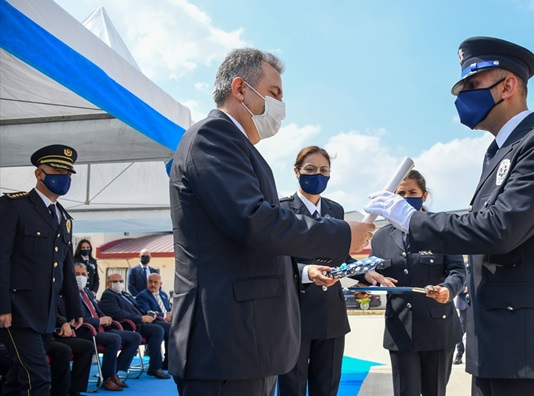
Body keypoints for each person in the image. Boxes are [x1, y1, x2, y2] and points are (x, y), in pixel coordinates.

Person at [365, 36, 534, 396]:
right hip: (497, 344)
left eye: (473, 85)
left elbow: (499, 229)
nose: (463, 97)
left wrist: (412, 220)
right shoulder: (498, 153)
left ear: (507, 85)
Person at [168, 47, 374, 396]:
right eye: (275, 92)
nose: (281, 104)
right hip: (224, 342)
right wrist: (341, 235)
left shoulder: (239, 146)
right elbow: (255, 222)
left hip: (247, 342)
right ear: (239, 89)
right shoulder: (212, 138)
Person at [360, 170, 465, 396]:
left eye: (412, 192)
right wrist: (364, 287)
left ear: (424, 196)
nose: (406, 197)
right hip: (401, 330)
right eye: (400, 193)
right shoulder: (381, 237)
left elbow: (457, 270)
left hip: (438, 328)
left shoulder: (440, 228)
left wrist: (448, 289)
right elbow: (369, 273)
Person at [0, 144, 83, 395]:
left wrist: (74, 308)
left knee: (17, 379)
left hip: (45, 314)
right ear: (39, 173)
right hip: (17, 310)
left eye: (68, 173)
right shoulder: (15, 206)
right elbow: (1, 257)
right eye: (57, 170)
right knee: (38, 380)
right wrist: (2, 306)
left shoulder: (65, 218)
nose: (64, 177)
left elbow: (67, 268)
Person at [277, 146, 356, 396]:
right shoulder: (281, 210)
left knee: (328, 386)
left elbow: (341, 255)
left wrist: (366, 272)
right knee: (293, 386)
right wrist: (306, 271)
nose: (317, 175)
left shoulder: (336, 210)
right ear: (297, 171)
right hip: (295, 312)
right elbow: (275, 259)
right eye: (310, 169)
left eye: (324, 170)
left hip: (331, 313)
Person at [68, 263, 140, 391]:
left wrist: (105, 318)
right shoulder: (68, 294)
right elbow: (74, 319)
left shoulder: (88, 293)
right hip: (85, 331)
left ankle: (114, 372)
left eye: (83, 274)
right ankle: (107, 378)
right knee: (114, 339)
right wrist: (98, 321)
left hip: (100, 329)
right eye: (77, 274)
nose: (80, 277)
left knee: (135, 337)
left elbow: (97, 310)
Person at [100, 273, 171, 379]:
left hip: (141, 321)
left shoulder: (125, 294)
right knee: (158, 330)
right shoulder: (108, 295)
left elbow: (139, 309)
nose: (118, 284)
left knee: (168, 327)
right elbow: (118, 314)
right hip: (129, 325)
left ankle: (167, 362)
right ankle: (155, 367)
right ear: (107, 283)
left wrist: (149, 314)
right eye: (115, 282)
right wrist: (141, 318)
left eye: (120, 281)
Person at [51, 311, 95, 396]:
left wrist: (64, 323)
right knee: (64, 350)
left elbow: (53, 314)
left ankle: (75, 390)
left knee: (87, 347)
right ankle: (60, 392)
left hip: (52, 336)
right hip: (36, 339)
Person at [453, 286, 469, 365]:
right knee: (462, 330)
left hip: (477, 303)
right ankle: (459, 355)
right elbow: (457, 279)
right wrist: (464, 289)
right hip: (464, 302)